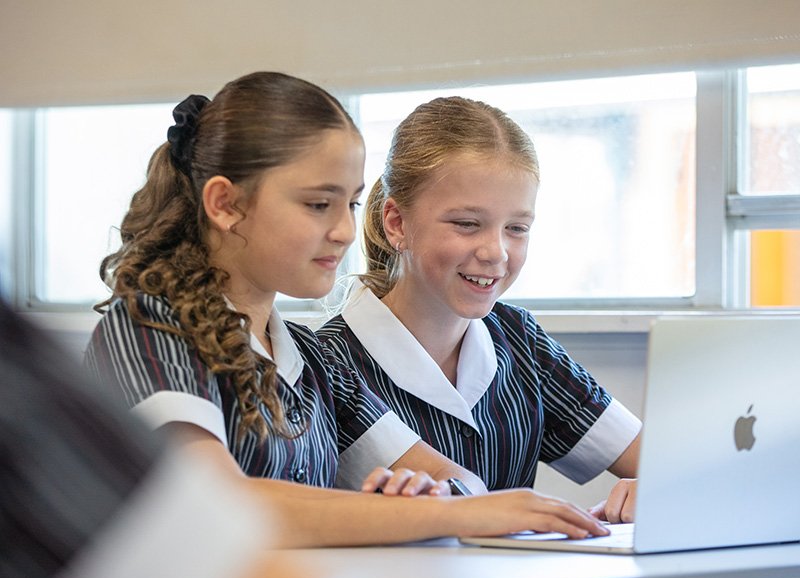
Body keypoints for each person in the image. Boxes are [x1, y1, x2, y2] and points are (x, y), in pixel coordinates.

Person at [84, 71, 611, 548]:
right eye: (318, 204)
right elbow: (214, 505)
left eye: (351, 204)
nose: (342, 230)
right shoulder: (147, 328)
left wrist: (426, 494)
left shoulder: (312, 360)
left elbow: (461, 483)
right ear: (225, 204)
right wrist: (447, 515)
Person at [316, 96, 642, 522]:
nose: (496, 253)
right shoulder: (328, 362)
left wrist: (655, 488)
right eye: (467, 224)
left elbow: (658, 462)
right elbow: (456, 495)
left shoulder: (518, 337)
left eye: (517, 229)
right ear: (396, 223)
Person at [0, 296, 330, 578]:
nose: (343, 235)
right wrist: (382, 513)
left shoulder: (306, 345)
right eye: (322, 224)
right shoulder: (148, 327)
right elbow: (224, 501)